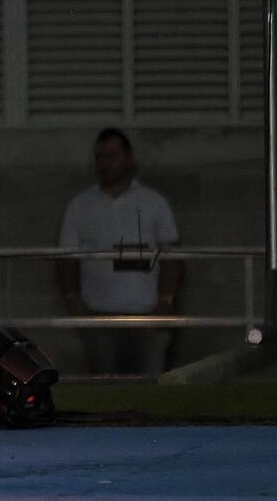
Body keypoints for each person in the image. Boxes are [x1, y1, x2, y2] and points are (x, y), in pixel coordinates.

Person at [56, 128, 183, 375]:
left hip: (147, 316)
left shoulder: (153, 202)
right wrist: (73, 300)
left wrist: (166, 301)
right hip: (99, 317)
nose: (105, 163)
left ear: (129, 159)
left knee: (149, 390)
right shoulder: (80, 205)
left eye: (112, 156)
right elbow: (66, 258)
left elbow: (171, 256)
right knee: (106, 391)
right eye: (100, 157)